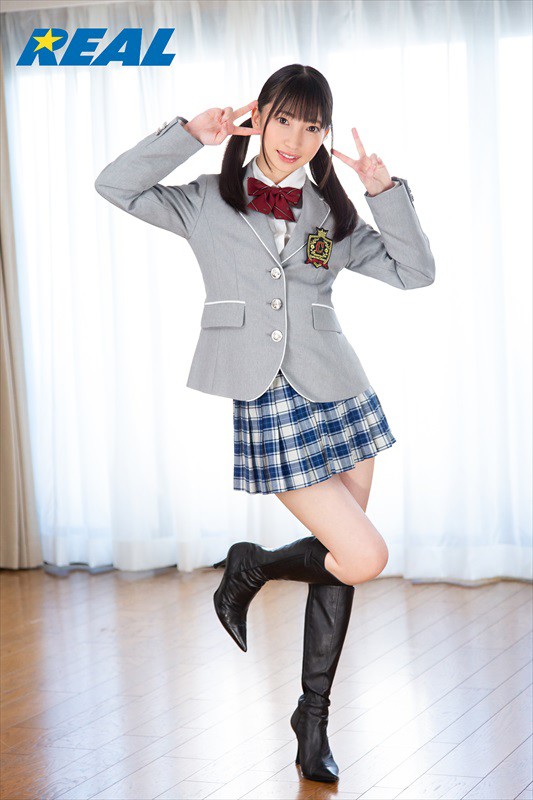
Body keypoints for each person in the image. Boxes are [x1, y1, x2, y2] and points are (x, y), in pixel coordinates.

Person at [94, 63, 435, 784]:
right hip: (265, 397)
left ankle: (312, 721)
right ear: (260, 117)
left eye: (313, 126)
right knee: (363, 555)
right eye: (284, 119)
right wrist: (190, 134)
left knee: (341, 563)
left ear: (323, 135)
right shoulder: (205, 200)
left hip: (340, 391)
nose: (295, 138)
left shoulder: (328, 216)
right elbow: (115, 185)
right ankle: (249, 567)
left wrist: (384, 193)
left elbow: (415, 272)